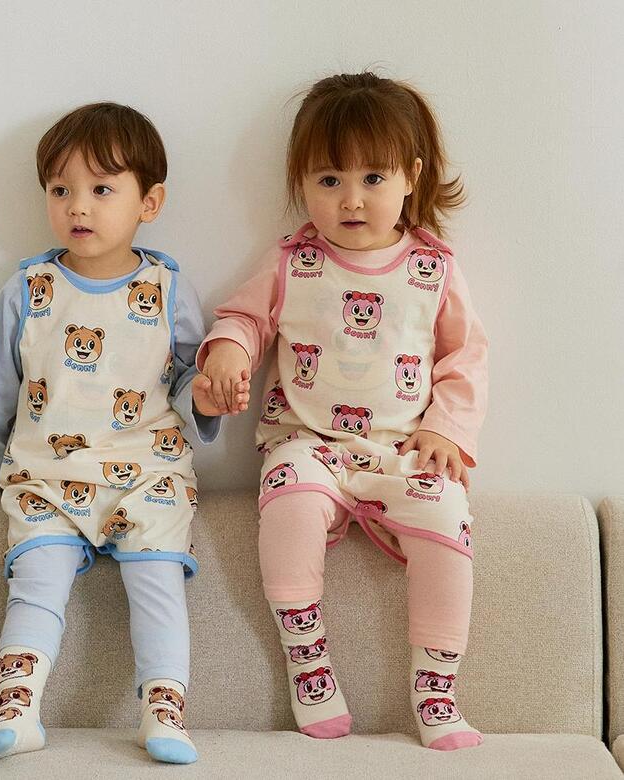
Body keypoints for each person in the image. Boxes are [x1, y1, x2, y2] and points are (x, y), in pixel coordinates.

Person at [0, 102, 246, 765]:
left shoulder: (167, 286)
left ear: (149, 201)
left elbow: (184, 376)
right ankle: (17, 709)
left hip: (148, 472)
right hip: (47, 475)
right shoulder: (27, 289)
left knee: (157, 582)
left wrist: (205, 394)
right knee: (36, 582)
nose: (78, 206)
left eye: (101, 189)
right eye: (60, 189)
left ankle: (164, 713)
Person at [198, 72, 488, 750]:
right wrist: (228, 353)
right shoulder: (292, 263)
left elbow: (465, 355)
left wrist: (447, 429)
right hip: (308, 442)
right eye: (328, 180)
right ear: (301, 182)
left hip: (402, 451)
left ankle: (437, 688)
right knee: (289, 504)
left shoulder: (433, 270)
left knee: (449, 521)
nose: (351, 199)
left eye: (372, 178)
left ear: (411, 177)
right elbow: (245, 318)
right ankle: (308, 660)